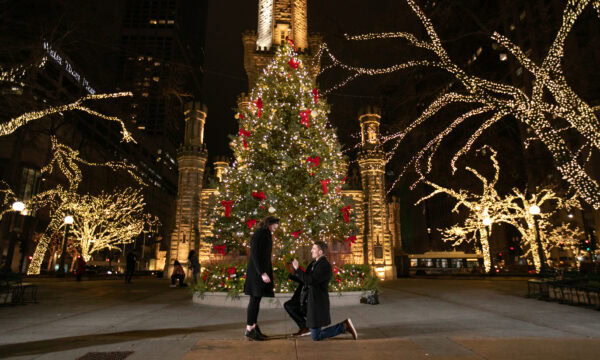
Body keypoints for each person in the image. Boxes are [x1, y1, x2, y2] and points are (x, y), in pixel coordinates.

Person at [292, 241, 358, 341]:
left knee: (316, 336)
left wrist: (298, 269)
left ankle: (344, 326)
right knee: (315, 334)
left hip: (317, 302)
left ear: (320, 252)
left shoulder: (324, 266)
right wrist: (296, 273)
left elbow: (311, 281)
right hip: (312, 301)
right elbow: (307, 278)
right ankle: (343, 326)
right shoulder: (315, 263)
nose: (311, 250)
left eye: (314, 249)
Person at [244, 216, 279, 341]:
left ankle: (253, 326)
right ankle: (250, 329)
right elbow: (255, 255)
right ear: (269, 223)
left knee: (256, 300)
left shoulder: (266, 234)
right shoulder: (260, 234)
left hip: (259, 272)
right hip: (256, 273)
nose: (277, 226)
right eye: (276, 224)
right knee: (254, 300)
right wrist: (262, 273)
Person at [284, 260, 312, 337]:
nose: (312, 250)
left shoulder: (318, 264)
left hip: (308, 298)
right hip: (303, 295)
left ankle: (307, 327)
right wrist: (292, 274)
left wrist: (296, 270)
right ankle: (305, 327)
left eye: (314, 248)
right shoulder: (313, 263)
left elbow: (307, 280)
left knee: (290, 306)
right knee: (289, 305)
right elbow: (304, 278)